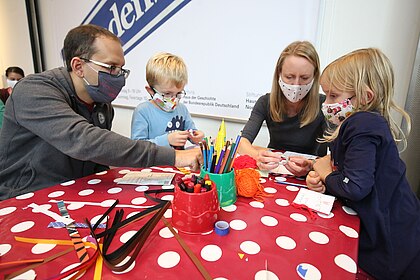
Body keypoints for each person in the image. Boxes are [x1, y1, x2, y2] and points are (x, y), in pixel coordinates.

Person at [0, 24, 202, 200]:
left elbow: (98, 162)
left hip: (78, 193)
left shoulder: (101, 104)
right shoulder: (32, 91)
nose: (119, 77)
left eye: (121, 69)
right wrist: (174, 157)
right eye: (111, 67)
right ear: (78, 66)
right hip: (26, 198)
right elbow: (84, 141)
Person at [306, 48, 420, 279]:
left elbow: (355, 186)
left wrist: (327, 174)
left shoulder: (362, 124)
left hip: (391, 240)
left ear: (366, 97)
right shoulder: (364, 123)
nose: (326, 103)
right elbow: (348, 169)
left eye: (334, 96)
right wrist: (320, 172)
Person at [238, 41, 326, 176]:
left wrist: (311, 165)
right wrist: (257, 156)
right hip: (274, 170)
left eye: (304, 78)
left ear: (314, 76)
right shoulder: (265, 102)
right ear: (279, 73)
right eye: (289, 77)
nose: (296, 84)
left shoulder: (325, 105)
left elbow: (335, 157)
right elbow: (242, 142)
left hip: (309, 176)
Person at [131, 52, 204, 149]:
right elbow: (137, 147)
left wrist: (197, 136)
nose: (174, 99)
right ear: (151, 91)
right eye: (167, 94)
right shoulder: (143, 111)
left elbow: (191, 132)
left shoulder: (182, 109)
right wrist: (167, 140)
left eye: (178, 93)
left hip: (179, 161)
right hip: (153, 163)